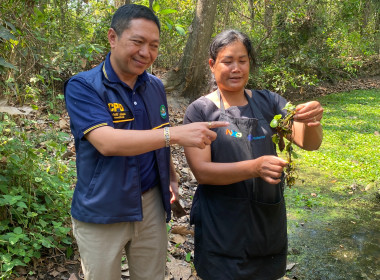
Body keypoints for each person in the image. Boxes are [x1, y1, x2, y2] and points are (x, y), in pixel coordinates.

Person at [64, 4, 227, 280]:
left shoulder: (154, 86)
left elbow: (158, 133)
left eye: (153, 45)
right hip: (103, 208)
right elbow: (106, 142)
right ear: (113, 38)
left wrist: (172, 177)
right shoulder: (84, 86)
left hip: (151, 203)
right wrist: (175, 134)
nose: (146, 53)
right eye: (137, 42)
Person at [183, 29, 323, 280]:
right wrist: (254, 167)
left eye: (242, 60)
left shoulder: (269, 102)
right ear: (212, 65)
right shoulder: (200, 111)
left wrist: (312, 120)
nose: (236, 68)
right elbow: (202, 172)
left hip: (265, 225)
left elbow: (308, 143)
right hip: (220, 226)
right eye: (227, 61)